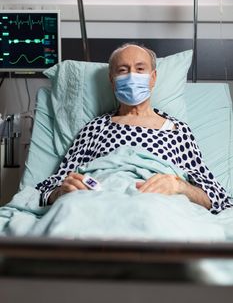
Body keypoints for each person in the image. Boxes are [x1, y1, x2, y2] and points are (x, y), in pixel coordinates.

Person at [36, 43, 232, 214]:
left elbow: (216, 198)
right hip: (96, 204)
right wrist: (61, 192)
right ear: (112, 81)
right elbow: (50, 187)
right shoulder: (95, 128)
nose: (132, 76)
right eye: (122, 70)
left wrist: (179, 186)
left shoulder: (177, 130)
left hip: (157, 205)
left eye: (140, 69)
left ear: (153, 78)